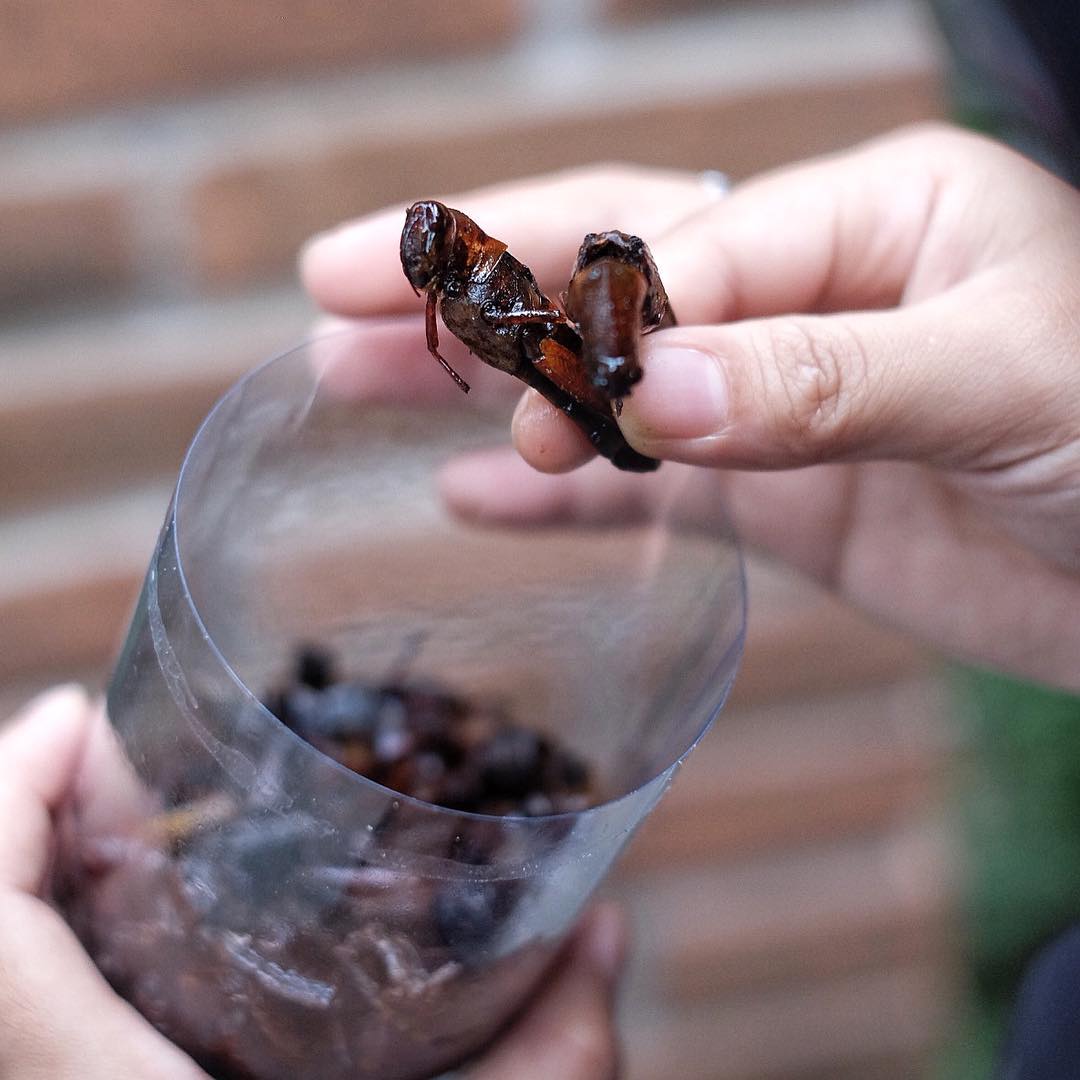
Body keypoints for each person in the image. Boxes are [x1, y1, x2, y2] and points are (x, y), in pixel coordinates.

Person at [1, 122, 1077, 1077]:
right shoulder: (443, 296)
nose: (426, 241)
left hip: (563, 363)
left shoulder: (511, 288)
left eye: (436, 236)